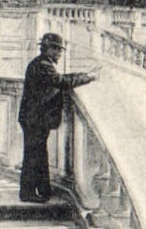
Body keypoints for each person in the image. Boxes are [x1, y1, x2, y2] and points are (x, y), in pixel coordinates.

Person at [18, 33, 96, 204]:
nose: (60, 54)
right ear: (48, 49)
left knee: (37, 154)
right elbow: (61, 81)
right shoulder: (43, 66)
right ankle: (28, 192)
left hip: (33, 118)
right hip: (34, 119)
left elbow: (61, 78)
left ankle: (42, 191)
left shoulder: (41, 63)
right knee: (34, 155)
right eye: (57, 50)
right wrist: (87, 78)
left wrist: (83, 74)